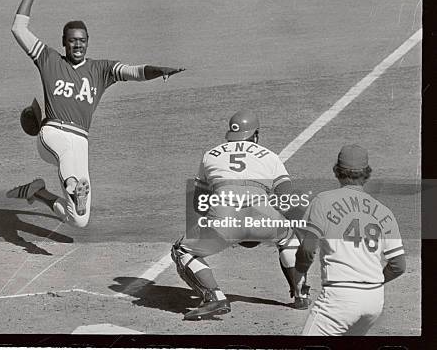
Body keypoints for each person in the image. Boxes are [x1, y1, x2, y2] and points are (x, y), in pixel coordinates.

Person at [7, 0, 185, 228]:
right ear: (64, 42)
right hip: (52, 135)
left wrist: (159, 71)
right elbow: (18, 29)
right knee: (67, 160)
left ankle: (39, 192)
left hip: (81, 141)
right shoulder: (48, 59)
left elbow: (134, 71)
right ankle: (71, 186)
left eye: (82, 40)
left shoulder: (100, 70)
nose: (77, 45)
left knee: (78, 220)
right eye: (71, 41)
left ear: (88, 41)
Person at [170, 109, 309, 320]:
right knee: (289, 237)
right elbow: (287, 199)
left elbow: (199, 203)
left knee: (182, 249)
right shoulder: (270, 156)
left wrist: (232, 229)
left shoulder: (210, 155)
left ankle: (214, 298)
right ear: (256, 134)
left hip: (223, 220)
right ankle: (300, 295)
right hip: (264, 219)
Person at [293, 144, 406, 336]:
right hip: (374, 301)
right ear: (367, 173)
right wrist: (371, 284)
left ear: (337, 171)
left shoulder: (323, 201)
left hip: (339, 300)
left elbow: (308, 249)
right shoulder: (384, 211)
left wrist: (299, 275)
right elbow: (398, 265)